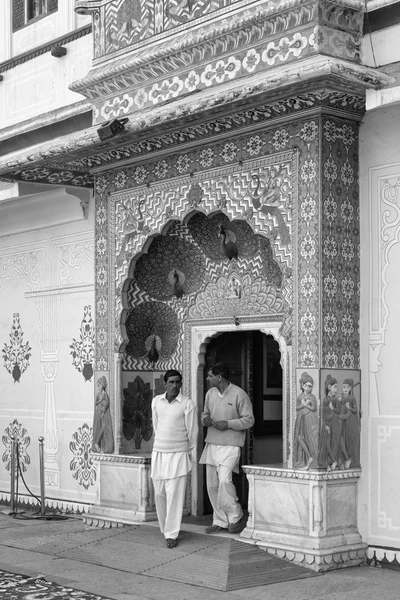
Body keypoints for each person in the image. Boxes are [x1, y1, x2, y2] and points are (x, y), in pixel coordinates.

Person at [199, 363, 254, 534]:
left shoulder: (239, 394)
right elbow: (204, 413)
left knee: (224, 481)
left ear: (219, 377)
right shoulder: (210, 394)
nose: (208, 379)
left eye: (210, 376)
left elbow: (249, 420)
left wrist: (228, 424)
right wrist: (205, 419)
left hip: (231, 445)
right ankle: (220, 521)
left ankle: (235, 516)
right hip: (212, 444)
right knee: (212, 485)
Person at [151, 369, 198, 549]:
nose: (175, 386)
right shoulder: (156, 401)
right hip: (159, 453)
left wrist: (190, 458)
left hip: (178, 455)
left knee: (174, 495)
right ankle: (165, 529)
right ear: (165, 383)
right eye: (171, 382)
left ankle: (171, 534)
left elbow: (193, 433)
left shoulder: (187, 404)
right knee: (160, 493)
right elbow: (156, 425)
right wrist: (161, 445)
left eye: (178, 382)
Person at [293, 372, 319, 470]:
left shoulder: (312, 397)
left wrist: (306, 404)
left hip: (309, 419)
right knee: (299, 437)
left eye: (310, 386)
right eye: (306, 386)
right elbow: (297, 407)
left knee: (309, 438)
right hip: (301, 419)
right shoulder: (300, 396)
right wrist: (303, 404)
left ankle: (312, 459)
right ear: (302, 386)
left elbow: (314, 408)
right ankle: (308, 457)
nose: (308, 388)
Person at [318, 374, 340, 471]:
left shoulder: (335, 399)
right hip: (327, 424)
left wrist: (333, 409)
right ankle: (329, 462)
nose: (336, 390)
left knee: (332, 442)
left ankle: (333, 462)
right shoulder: (325, 399)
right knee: (326, 443)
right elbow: (323, 413)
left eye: (337, 388)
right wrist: (326, 425)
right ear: (329, 387)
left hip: (334, 422)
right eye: (335, 387)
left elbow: (338, 411)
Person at [92, 376, 114, 454]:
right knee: (100, 427)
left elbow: (107, 403)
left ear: (103, 385)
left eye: (99, 385)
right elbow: (95, 403)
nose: (98, 387)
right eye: (97, 385)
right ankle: (97, 443)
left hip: (104, 413)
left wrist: (103, 411)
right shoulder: (98, 395)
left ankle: (100, 444)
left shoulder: (105, 394)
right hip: (99, 412)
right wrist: (100, 401)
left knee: (104, 427)